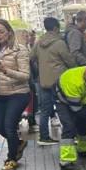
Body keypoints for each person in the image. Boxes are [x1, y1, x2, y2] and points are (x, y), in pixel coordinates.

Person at [0, 19, 31, 170]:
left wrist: (5, 70)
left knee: (9, 126)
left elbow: (25, 76)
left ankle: (12, 158)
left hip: (18, 93)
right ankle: (18, 142)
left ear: (9, 32)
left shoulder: (19, 50)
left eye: (1, 31)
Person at [30, 17, 77, 146]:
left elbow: (31, 57)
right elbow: (70, 61)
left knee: (45, 110)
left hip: (44, 81)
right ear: (56, 28)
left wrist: (40, 69)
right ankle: (70, 135)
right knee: (66, 109)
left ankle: (44, 137)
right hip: (59, 82)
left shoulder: (39, 42)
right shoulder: (59, 43)